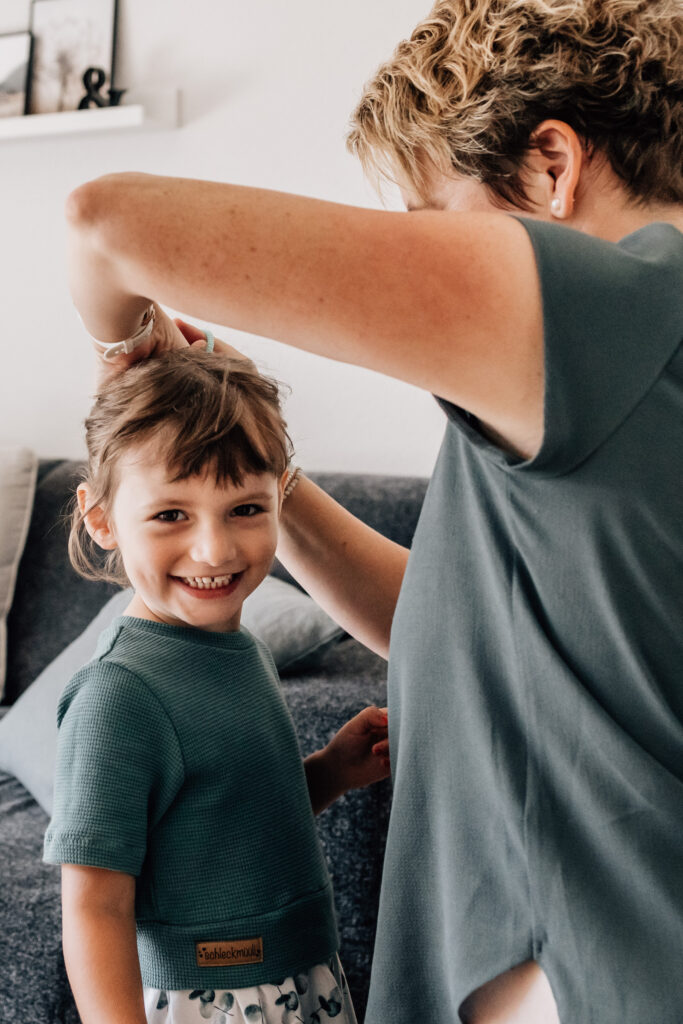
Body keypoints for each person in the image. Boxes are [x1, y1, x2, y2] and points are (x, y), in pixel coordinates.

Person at [62, 1, 683, 1021]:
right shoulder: (615, 382)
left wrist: (129, 363)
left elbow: (103, 225)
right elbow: (444, 626)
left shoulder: (601, 307)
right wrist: (265, 477)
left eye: (427, 219)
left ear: (549, 168)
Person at [43, 349, 390, 1024]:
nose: (215, 550)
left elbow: (227, 816)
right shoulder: (118, 693)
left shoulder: (239, 647)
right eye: (171, 515)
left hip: (301, 976)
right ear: (102, 519)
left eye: (245, 508)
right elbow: (94, 905)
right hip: (209, 1000)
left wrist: (329, 772)